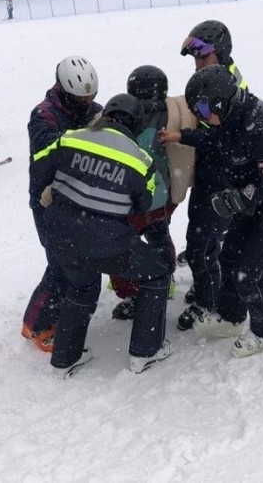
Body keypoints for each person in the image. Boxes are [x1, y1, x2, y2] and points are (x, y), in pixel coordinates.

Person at [30, 93, 172, 377]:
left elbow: (40, 164)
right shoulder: (141, 160)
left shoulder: (71, 137)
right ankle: (145, 351)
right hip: (106, 242)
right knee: (157, 274)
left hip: (60, 234)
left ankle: (65, 359)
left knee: (80, 287)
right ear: (136, 125)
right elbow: (143, 203)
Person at [176, 65, 263, 357]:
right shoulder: (230, 117)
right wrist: (183, 137)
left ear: (220, 101)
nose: (199, 115)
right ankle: (231, 317)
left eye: (201, 108)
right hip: (258, 201)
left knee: (249, 273)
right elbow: (217, 139)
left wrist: (237, 200)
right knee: (229, 257)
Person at [162, 20, 248, 332]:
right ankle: (206, 287)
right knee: (203, 240)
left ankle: (208, 303)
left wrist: (182, 136)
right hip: (211, 172)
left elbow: (222, 136)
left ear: (220, 53)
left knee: (201, 244)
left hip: (223, 178)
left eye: (203, 57)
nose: (198, 65)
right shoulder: (217, 76)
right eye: (195, 59)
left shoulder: (227, 87)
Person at [22, 56, 103, 352]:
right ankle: (37, 324)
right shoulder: (43, 115)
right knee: (58, 264)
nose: (88, 102)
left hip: (79, 196)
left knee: (75, 260)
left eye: (91, 97)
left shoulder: (94, 110)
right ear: (63, 89)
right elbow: (47, 151)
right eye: (81, 98)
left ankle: (62, 311)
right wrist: (87, 136)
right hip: (47, 198)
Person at [109, 66, 196, 320]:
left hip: (133, 200)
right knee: (159, 234)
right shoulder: (174, 114)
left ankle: (134, 292)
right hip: (165, 196)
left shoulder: (126, 117)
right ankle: (164, 275)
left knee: (123, 243)